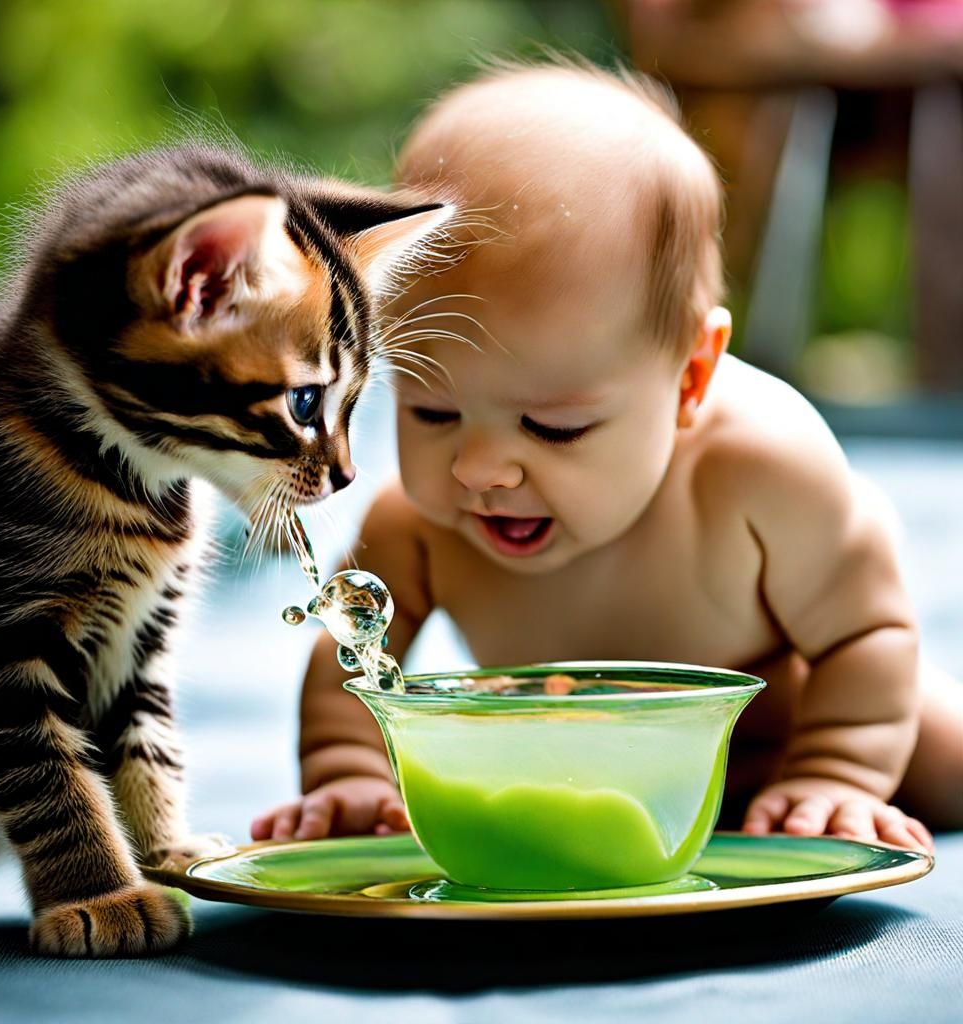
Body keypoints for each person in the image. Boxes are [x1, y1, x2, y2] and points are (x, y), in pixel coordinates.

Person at [253, 63, 962, 852]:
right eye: (432, 410)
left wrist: (838, 772)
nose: (480, 470)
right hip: (591, 774)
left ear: (691, 377)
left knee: (949, 761)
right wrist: (348, 769)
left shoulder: (761, 472)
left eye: (554, 427)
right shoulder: (417, 530)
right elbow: (352, 662)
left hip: (791, 734)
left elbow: (866, 633)